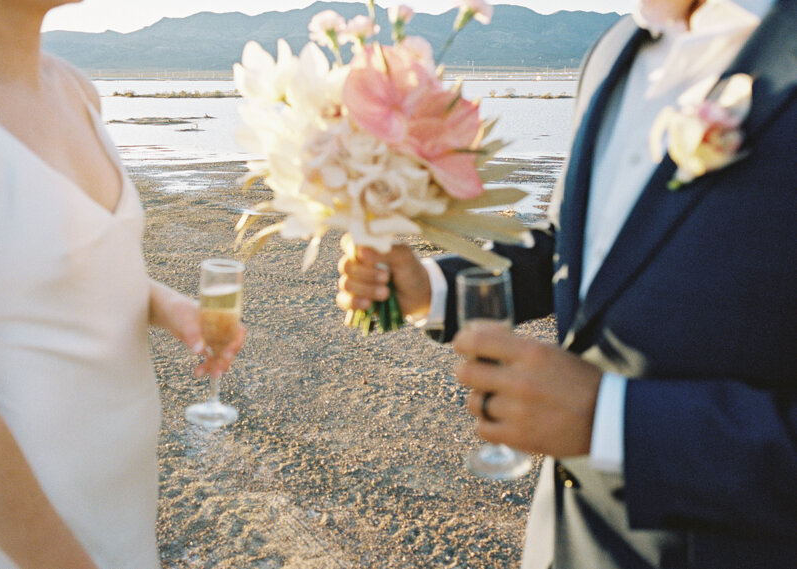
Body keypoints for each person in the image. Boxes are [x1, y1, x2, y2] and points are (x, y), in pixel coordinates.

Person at [337, 0, 797, 567]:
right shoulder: (612, 52)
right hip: (563, 541)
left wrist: (613, 421)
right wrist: (430, 287)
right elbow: (573, 246)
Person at [0, 1, 245, 568]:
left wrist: (173, 306)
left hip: (123, 505)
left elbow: (75, 269)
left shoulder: (76, 88)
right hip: (23, 532)